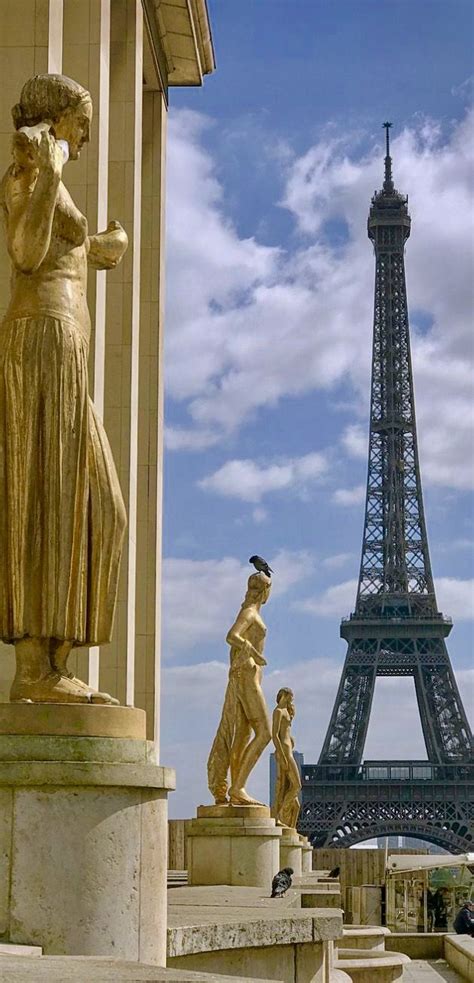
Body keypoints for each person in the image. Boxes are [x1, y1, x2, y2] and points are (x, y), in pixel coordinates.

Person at [0, 74, 128, 704]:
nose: (85, 138)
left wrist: (101, 248)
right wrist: (49, 173)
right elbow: (25, 252)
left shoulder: (50, 174)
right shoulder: (28, 171)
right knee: (45, 493)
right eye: (82, 124)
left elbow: (60, 250)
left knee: (100, 509)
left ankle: (56, 658)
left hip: (66, 341)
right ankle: (36, 670)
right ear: (58, 120)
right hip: (41, 341)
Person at [207, 571, 272, 806]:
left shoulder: (251, 612)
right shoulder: (250, 613)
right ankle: (238, 787)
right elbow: (232, 636)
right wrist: (254, 653)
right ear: (266, 591)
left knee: (241, 736)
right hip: (247, 675)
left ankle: (236, 789)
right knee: (265, 732)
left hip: (247, 674)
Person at [272, 687, 301, 828]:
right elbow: (275, 735)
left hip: (288, 750)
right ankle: (281, 815)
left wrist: (291, 740)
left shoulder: (286, 712)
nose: (292, 699)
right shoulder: (278, 711)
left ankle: (288, 823)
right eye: (291, 696)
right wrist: (282, 756)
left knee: (292, 793)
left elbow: (285, 733)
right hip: (284, 752)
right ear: (284, 695)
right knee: (296, 785)